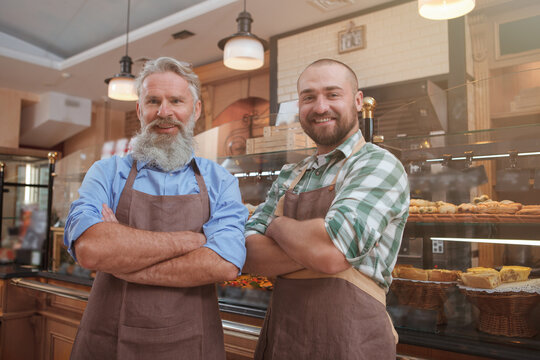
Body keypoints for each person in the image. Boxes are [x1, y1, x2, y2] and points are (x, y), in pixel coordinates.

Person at [64, 57, 248, 360]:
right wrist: (194, 241)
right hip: (109, 341)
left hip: (192, 343)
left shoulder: (220, 180)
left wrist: (120, 253)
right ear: (139, 110)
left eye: (176, 100)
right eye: (153, 101)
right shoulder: (105, 172)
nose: (164, 112)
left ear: (196, 109)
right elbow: (91, 249)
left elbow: (223, 264)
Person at [243, 59, 409, 360]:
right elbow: (250, 255)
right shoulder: (290, 173)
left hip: (352, 341)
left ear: (357, 101)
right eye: (309, 97)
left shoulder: (376, 164)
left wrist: (274, 226)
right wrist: (314, 248)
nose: (320, 107)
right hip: (283, 339)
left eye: (333, 94)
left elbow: (332, 252)